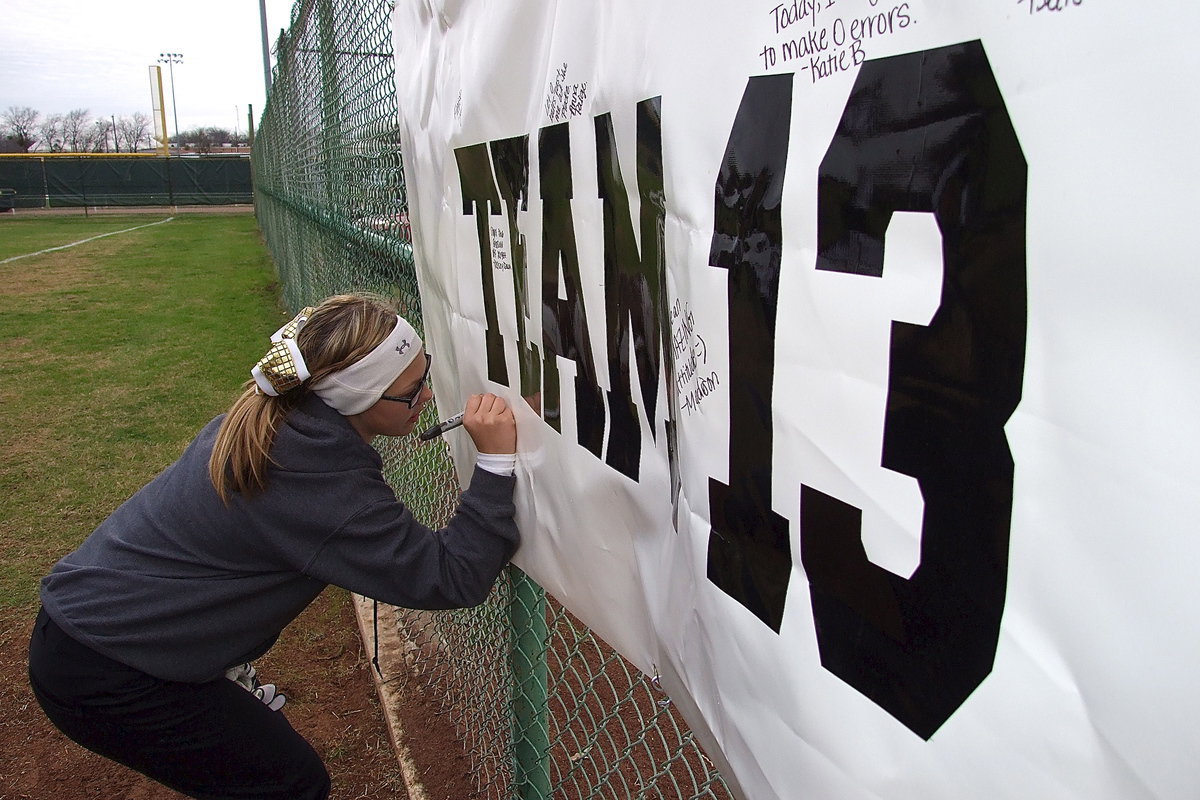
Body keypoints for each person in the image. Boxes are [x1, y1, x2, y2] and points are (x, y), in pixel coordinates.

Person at [27, 293, 519, 799]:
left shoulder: (283, 420)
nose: (428, 398)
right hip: (112, 669)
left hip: (93, 629)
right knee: (287, 784)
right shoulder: (319, 480)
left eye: (424, 376)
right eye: (411, 392)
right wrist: (497, 464)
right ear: (356, 399)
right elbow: (452, 575)